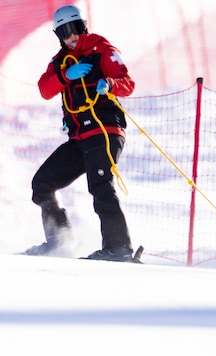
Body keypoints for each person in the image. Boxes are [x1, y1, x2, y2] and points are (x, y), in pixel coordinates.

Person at [26, 5, 136, 261]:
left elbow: (128, 83)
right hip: (79, 138)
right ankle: (59, 241)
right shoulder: (60, 62)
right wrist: (66, 75)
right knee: (42, 183)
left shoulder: (102, 50)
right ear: (59, 35)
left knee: (100, 185)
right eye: (65, 32)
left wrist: (109, 83)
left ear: (83, 26)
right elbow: (45, 89)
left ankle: (118, 248)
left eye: (75, 28)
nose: (72, 36)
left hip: (105, 130)